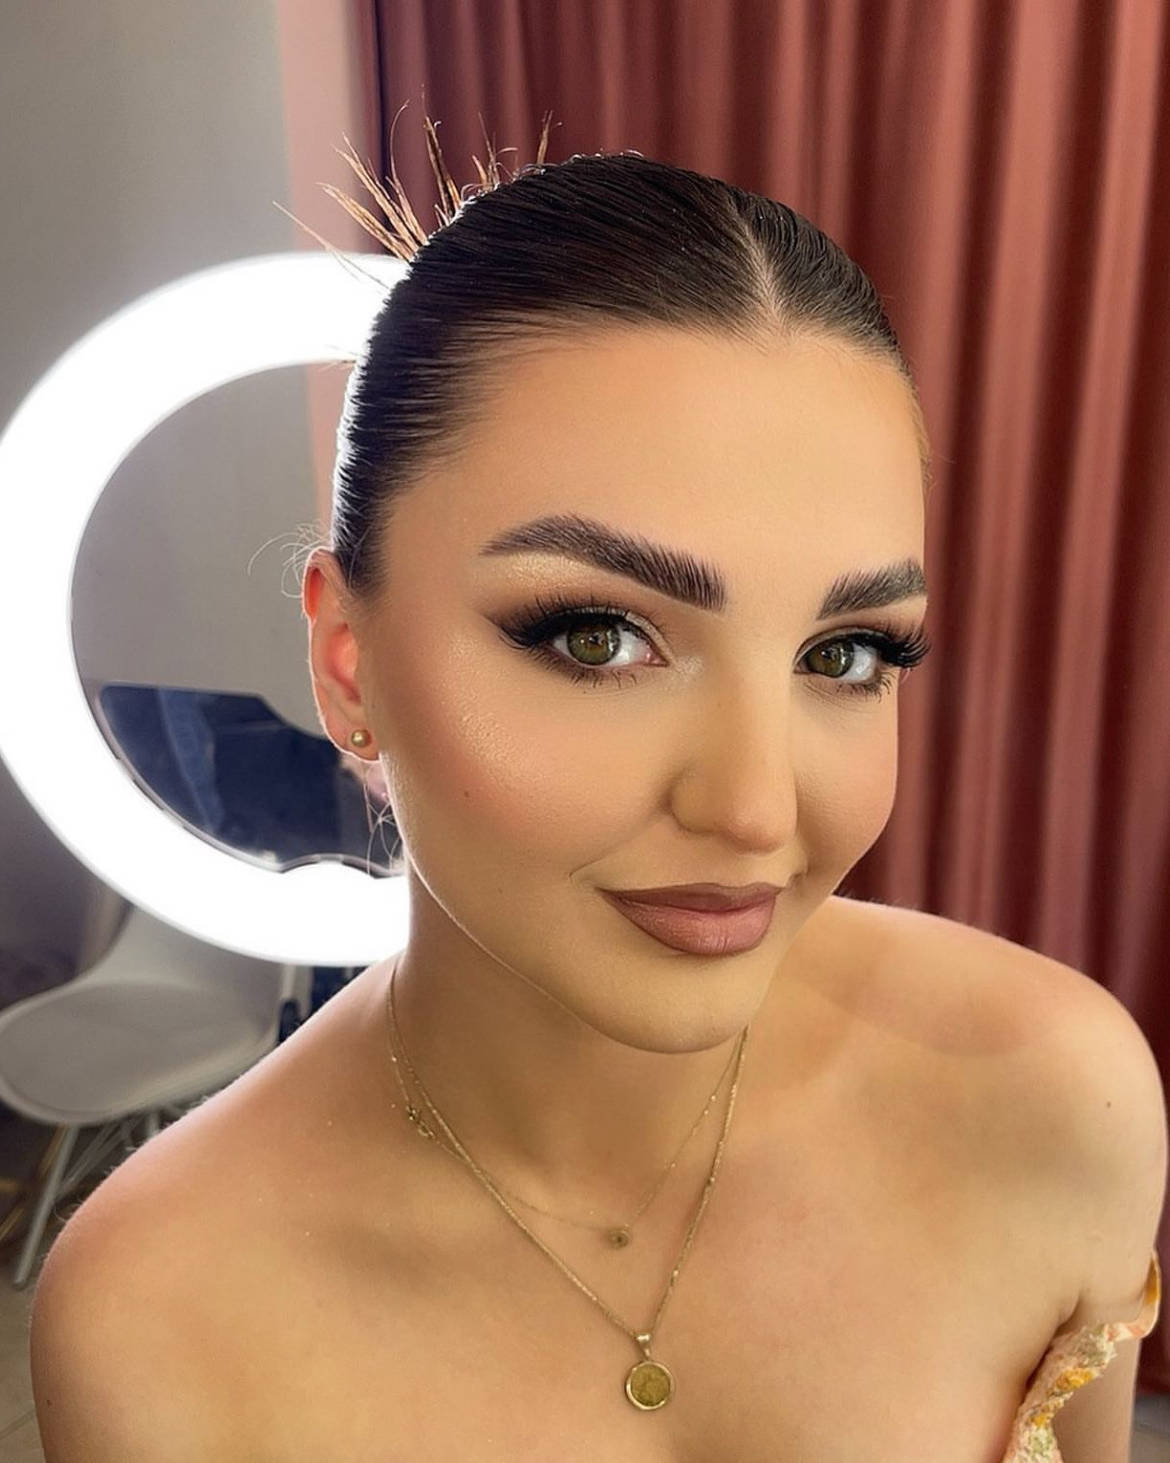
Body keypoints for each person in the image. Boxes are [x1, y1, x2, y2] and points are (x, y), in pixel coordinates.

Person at [29, 114, 1164, 1462]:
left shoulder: (1050, 1094)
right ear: (348, 667)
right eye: (596, 639)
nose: (755, 810)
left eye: (846, 654)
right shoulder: (161, 1315)